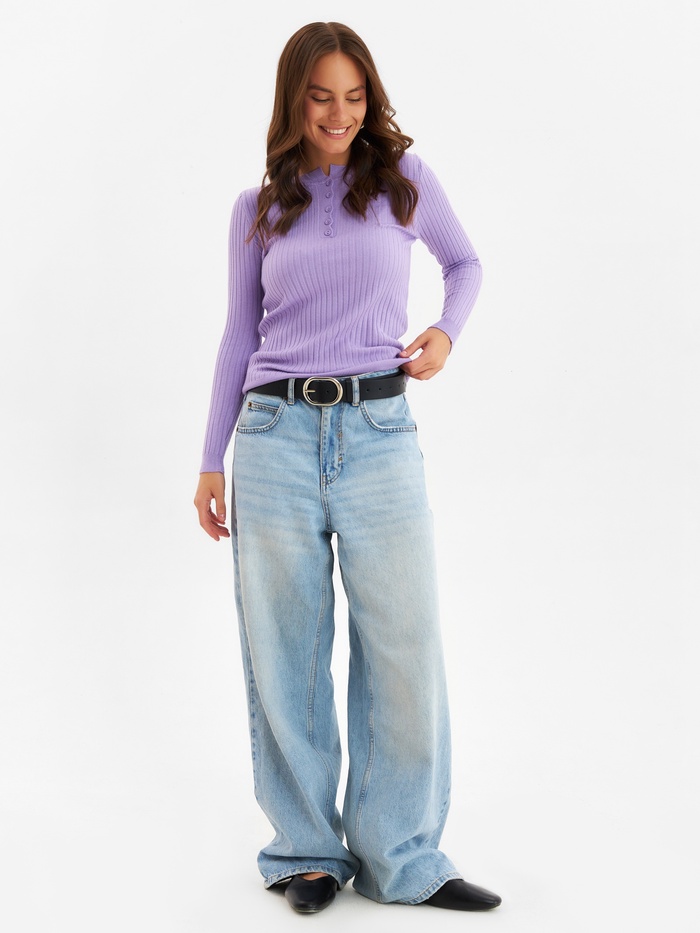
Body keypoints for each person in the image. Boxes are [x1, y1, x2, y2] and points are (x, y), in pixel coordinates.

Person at [194, 21, 502, 915]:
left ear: (371, 99)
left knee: (404, 646)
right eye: (321, 96)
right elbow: (239, 334)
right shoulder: (258, 209)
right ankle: (306, 852)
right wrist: (210, 456)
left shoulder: (404, 180)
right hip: (273, 435)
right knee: (284, 650)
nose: (338, 113)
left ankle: (402, 854)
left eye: (355, 96)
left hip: (378, 430)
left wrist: (445, 331)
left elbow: (465, 263)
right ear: (294, 100)